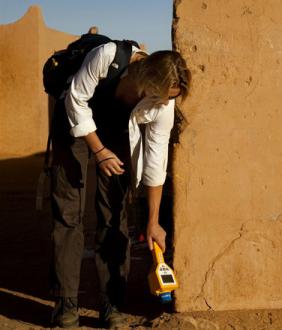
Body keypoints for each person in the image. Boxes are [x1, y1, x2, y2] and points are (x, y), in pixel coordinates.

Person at [49, 35, 191, 328]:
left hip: (115, 132)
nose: (165, 102)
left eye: (170, 98)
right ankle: (66, 305)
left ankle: (112, 304)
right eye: (161, 95)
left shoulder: (163, 103)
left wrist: (153, 221)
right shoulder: (107, 56)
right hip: (73, 122)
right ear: (145, 78)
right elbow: (76, 99)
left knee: (114, 216)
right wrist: (98, 151)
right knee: (69, 215)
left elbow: (155, 160)